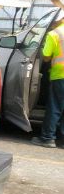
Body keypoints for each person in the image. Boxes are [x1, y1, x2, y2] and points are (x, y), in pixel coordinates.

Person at [31, 17, 64, 148]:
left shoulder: (54, 33)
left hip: (60, 75)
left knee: (55, 107)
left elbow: (46, 57)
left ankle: (48, 138)